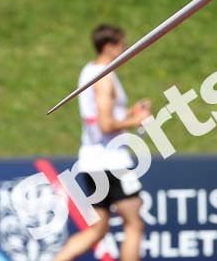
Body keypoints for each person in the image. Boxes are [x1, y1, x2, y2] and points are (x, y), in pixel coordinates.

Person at [54, 24, 152, 261]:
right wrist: (138, 119)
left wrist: (130, 113)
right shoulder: (104, 77)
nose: (126, 48)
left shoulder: (88, 71)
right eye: (122, 44)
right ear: (109, 47)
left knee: (98, 230)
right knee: (134, 224)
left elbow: (101, 118)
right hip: (111, 162)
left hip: (92, 160)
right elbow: (106, 125)